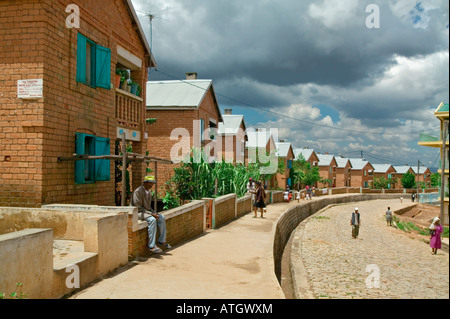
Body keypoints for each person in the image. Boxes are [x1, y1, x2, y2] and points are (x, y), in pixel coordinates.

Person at [130, 176, 171, 254]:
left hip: (146, 212)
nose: (151, 185)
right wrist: (151, 214)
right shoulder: (138, 191)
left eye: (152, 183)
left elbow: (148, 207)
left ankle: (161, 241)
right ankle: (151, 246)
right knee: (152, 220)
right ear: (145, 182)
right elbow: (138, 207)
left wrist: (154, 212)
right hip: (137, 212)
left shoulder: (149, 192)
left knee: (161, 217)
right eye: (150, 183)